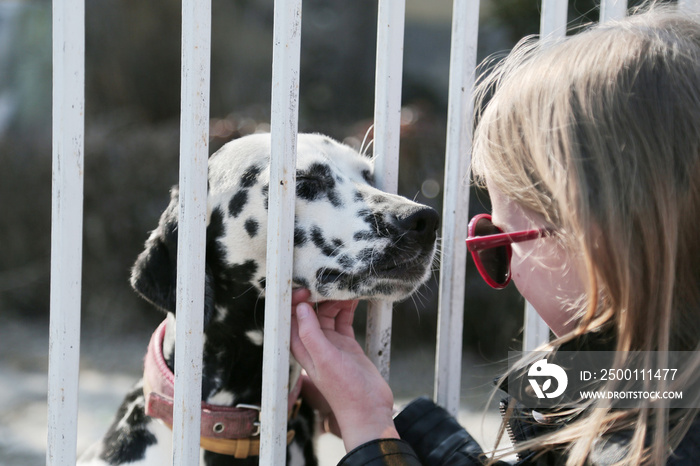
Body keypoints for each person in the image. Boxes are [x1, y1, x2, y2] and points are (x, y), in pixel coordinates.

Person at [290, 4, 700, 465]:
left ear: (593, 239)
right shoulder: (650, 386)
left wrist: (368, 435)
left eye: (497, 247)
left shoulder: (642, 446)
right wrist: (379, 416)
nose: (506, 276)